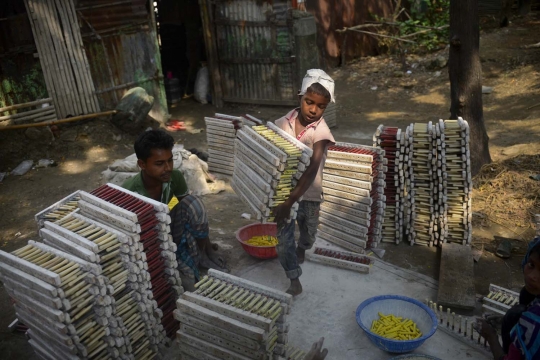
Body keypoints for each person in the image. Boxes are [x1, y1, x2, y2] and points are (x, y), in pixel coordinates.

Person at [122, 129, 227, 291]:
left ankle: (204, 253)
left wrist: (208, 245)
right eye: (159, 163)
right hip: (147, 242)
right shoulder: (129, 193)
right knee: (186, 284)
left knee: (193, 203)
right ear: (142, 164)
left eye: (169, 161)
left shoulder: (174, 178)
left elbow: (175, 203)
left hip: (167, 227)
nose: (168, 168)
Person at [273, 69, 336, 296]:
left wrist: (292, 200)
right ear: (300, 97)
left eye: (321, 106)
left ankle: (303, 247)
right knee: (283, 238)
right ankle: (294, 278)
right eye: (309, 102)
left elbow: (311, 170)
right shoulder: (282, 123)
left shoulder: (320, 131)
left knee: (308, 233)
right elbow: (265, 142)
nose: (313, 109)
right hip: (284, 191)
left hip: (309, 195)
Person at [475, 237, 540, 360]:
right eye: (531, 265)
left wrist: (491, 336)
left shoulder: (535, 322)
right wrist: (509, 321)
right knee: (519, 307)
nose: (532, 276)